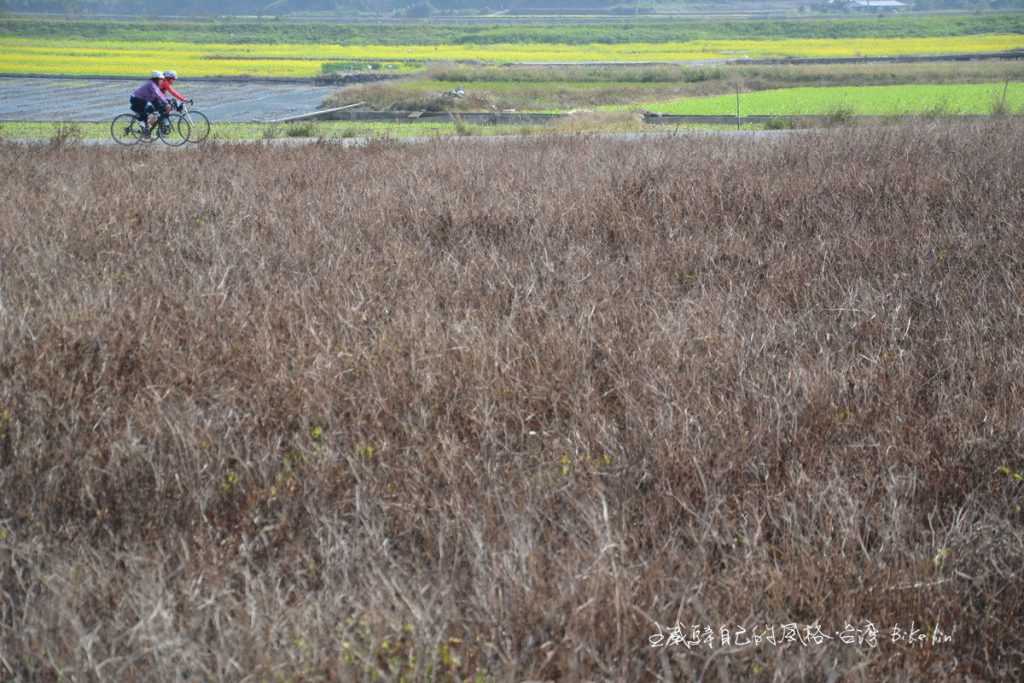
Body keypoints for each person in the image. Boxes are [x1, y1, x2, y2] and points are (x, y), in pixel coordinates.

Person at [129, 71, 171, 135]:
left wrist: (168, 100)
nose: (162, 81)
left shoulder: (155, 85)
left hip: (143, 99)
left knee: (153, 111)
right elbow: (158, 94)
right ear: (156, 79)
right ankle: (143, 126)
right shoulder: (151, 84)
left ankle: (146, 128)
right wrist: (166, 103)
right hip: (136, 99)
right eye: (161, 79)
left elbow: (161, 94)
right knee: (148, 109)